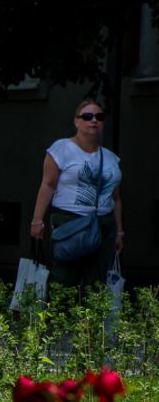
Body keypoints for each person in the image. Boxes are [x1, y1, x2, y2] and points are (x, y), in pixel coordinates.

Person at [29, 98, 123, 287]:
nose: (93, 120)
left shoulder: (111, 158)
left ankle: (91, 318)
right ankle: (59, 317)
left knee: (97, 283)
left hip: (103, 223)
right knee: (65, 279)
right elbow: (47, 185)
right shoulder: (62, 148)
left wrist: (119, 231)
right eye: (87, 116)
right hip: (70, 221)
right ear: (76, 121)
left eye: (99, 116)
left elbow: (116, 197)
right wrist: (37, 220)